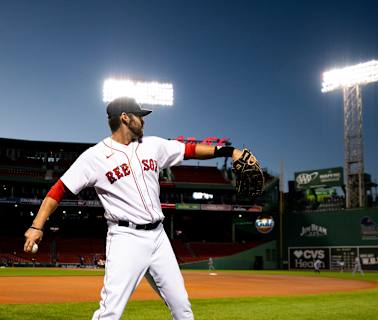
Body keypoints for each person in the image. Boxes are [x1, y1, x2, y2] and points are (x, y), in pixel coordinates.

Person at [23, 97, 246, 320]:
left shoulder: (153, 145)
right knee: (110, 312)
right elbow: (58, 190)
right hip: (126, 238)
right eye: (139, 116)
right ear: (125, 118)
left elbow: (190, 150)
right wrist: (36, 226)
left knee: (182, 308)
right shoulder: (94, 157)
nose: (143, 121)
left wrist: (228, 152)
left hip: (159, 238)